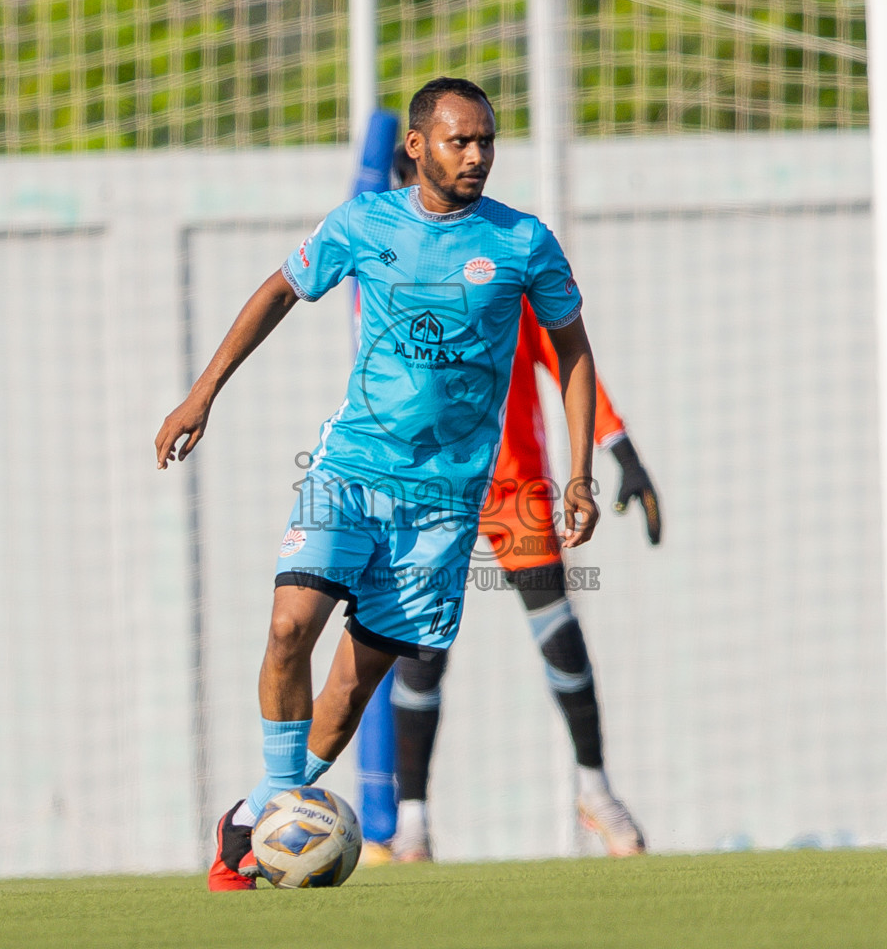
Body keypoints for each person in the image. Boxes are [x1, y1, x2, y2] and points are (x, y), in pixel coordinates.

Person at [156, 77, 602, 891]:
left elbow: (572, 348)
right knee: (292, 624)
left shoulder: (522, 242)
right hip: (351, 470)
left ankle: (252, 821)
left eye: (487, 141)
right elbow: (280, 290)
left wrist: (581, 472)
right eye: (460, 140)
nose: (477, 155)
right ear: (417, 145)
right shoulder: (365, 224)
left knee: (355, 680)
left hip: (446, 501)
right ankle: (281, 807)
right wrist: (203, 391)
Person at [377, 147, 660, 862]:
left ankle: (596, 791)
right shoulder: (387, 273)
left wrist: (619, 452)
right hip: (431, 491)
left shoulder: (503, 263)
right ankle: (412, 822)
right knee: (420, 651)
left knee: (560, 636)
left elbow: (566, 359)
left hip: (516, 490)